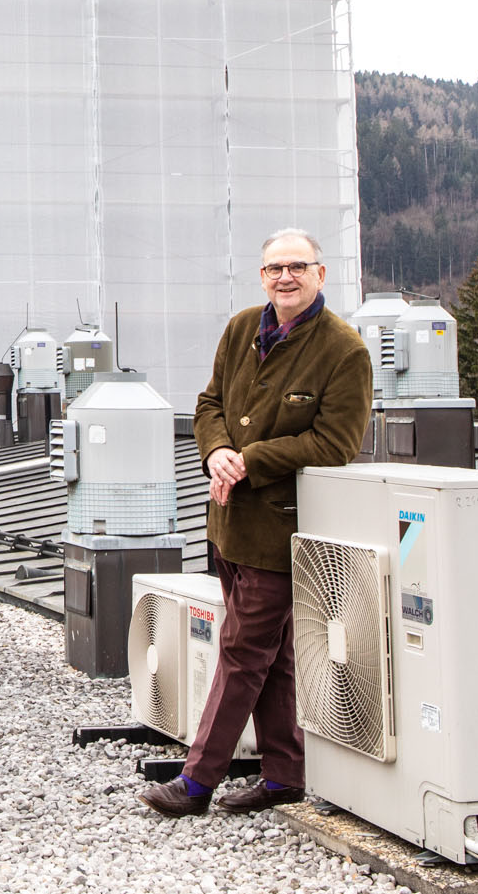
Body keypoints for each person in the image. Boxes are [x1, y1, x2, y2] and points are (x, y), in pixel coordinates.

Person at [140, 228, 371, 818]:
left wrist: (251, 460)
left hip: (280, 531)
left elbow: (335, 443)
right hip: (228, 524)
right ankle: (285, 775)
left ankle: (197, 781)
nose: (285, 277)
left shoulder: (345, 350)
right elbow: (210, 403)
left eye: (297, 266)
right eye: (274, 268)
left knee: (242, 650)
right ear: (262, 276)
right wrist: (216, 450)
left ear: (321, 274)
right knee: (273, 656)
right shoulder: (244, 327)